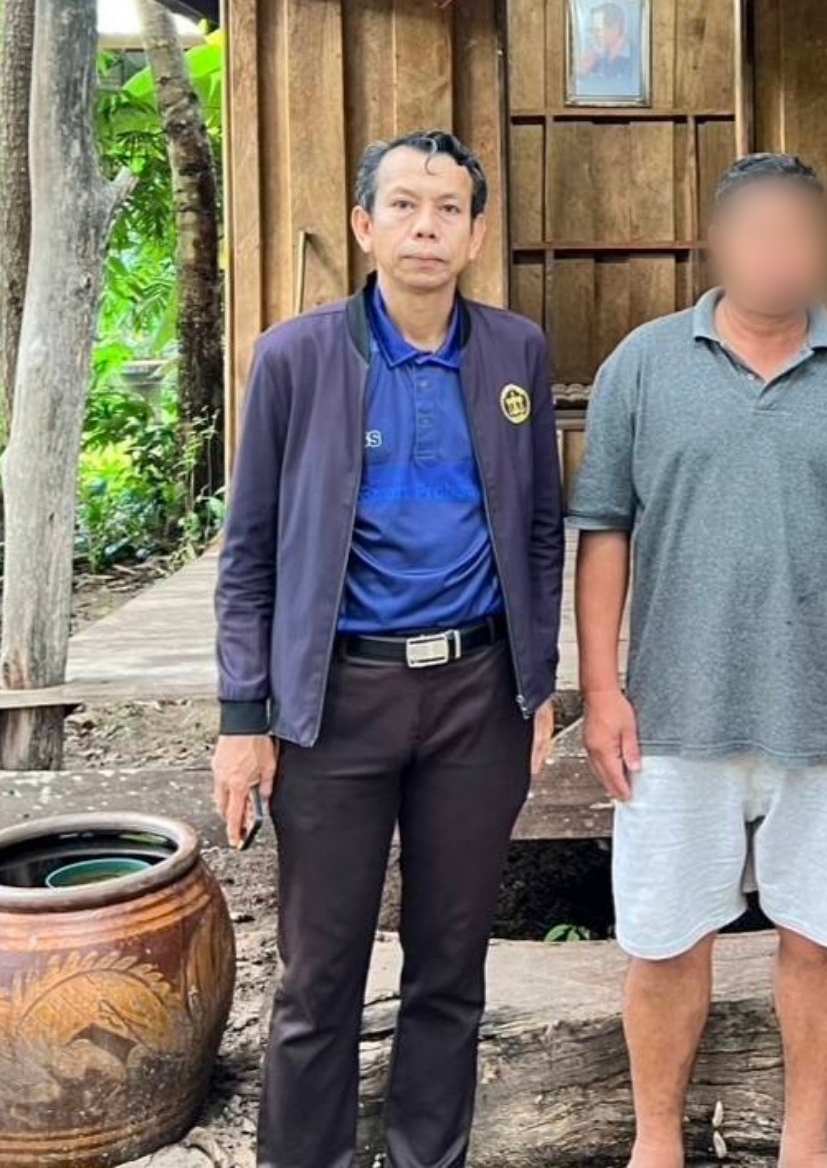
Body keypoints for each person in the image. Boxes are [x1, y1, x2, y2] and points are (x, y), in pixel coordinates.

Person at [568, 153, 827, 1168]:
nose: (778, 252)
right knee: (662, 939)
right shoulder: (644, 365)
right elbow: (603, 532)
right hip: (674, 713)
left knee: (823, 938)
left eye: (798, 232)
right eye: (756, 231)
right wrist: (601, 689)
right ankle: (656, 1142)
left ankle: (805, 1143)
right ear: (716, 243)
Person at [212, 129, 564, 1168]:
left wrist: (537, 683)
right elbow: (250, 553)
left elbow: (541, 529)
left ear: (476, 233)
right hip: (337, 700)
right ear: (365, 226)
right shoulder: (296, 358)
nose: (425, 226)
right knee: (318, 976)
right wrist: (243, 719)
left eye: (448, 208)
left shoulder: (515, 352)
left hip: (477, 696)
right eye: (403, 205)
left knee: (450, 966)